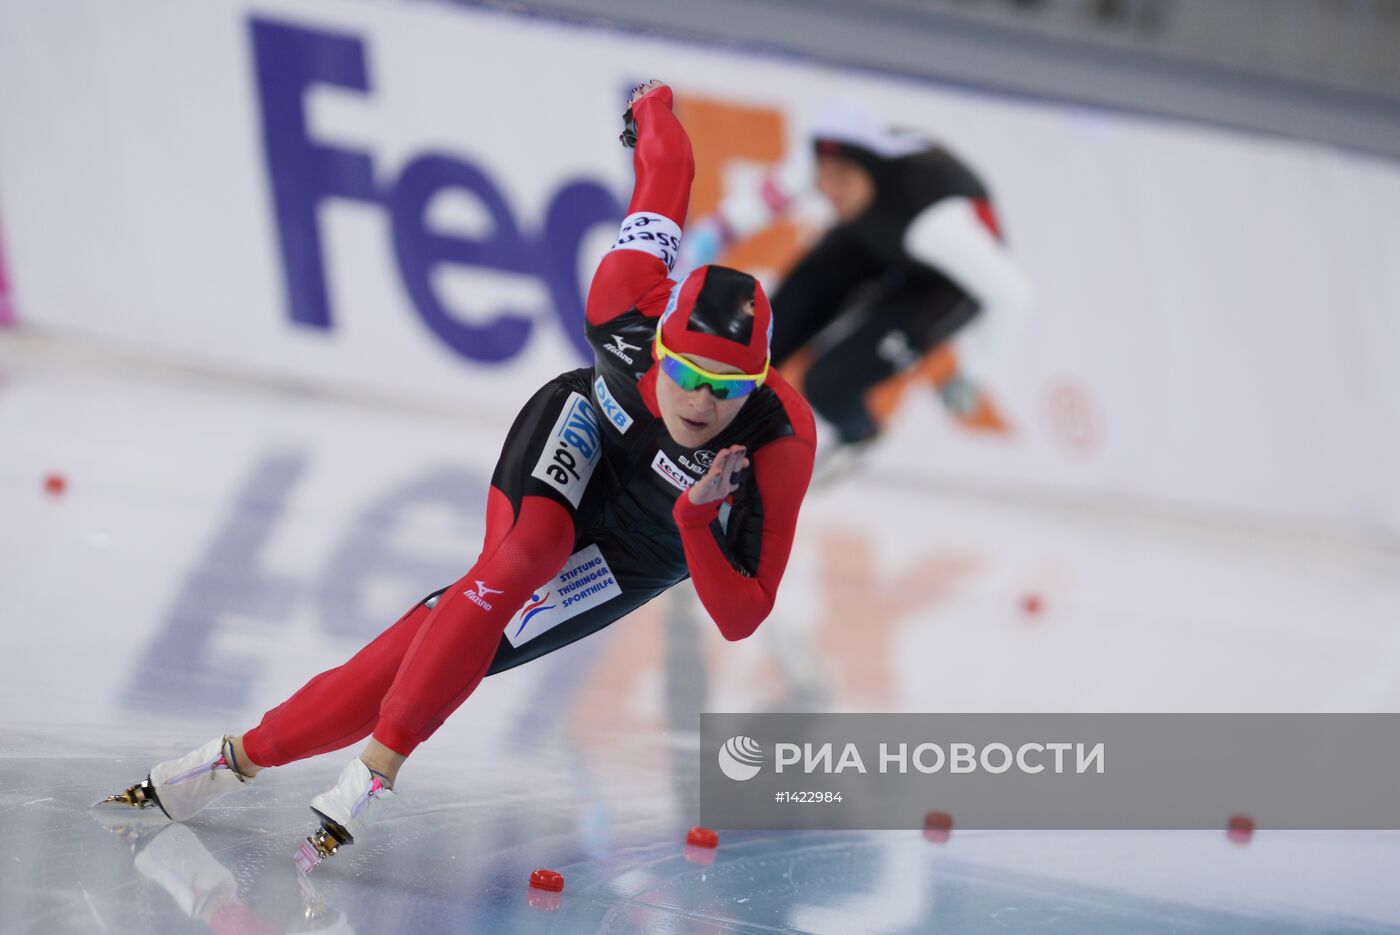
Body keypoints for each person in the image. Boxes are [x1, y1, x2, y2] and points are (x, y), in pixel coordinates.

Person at [100, 80, 816, 872]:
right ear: (659, 349)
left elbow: (744, 615)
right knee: (523, 554)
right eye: (690, 374)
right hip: (583, 431)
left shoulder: (780, 439)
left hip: (644, 547)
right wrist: (653, 107)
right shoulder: (623, 306)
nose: (705, 403)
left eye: (733, 388)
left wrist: (692, 522)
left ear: (761, 384)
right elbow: (665, 180)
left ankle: (233, 757)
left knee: (446, 640)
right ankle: (377, 771)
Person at [680, 101, 1032, 472]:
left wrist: (976, 375)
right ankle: (715, 431)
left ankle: (859, 433)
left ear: (871, 174)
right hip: (873, 235)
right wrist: (708, 237)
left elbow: (1014, 294)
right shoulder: (827, 163)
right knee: (768, 331)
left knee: (827, 382)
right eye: (824, 177)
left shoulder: (938, 225)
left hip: (949, 281)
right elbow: (760, 201)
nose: (830, 190)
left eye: (843, 178)